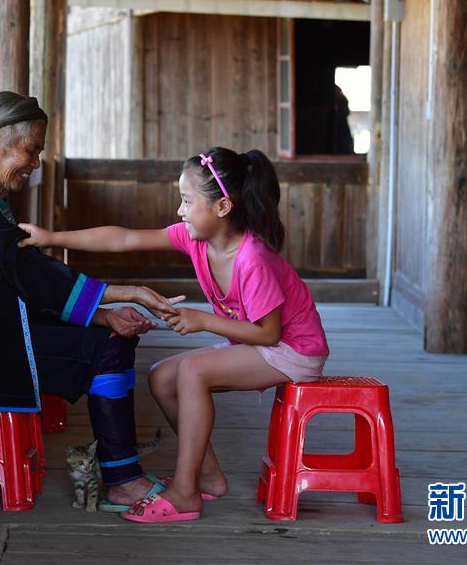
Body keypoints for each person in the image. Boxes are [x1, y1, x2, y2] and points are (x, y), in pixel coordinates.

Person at [0, 91, 184, 509]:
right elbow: (30, 274)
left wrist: (101, 314)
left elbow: (23, 281)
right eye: (29, 151)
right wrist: (124, 294)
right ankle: (122, 479)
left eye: (38, 153)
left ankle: (123, 471)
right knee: (108, 348)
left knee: (109, 335)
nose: (34, 164)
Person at [18, 146, 330, 522]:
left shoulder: (253, 259)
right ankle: (209, 477)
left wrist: (203, 321)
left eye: (186, 201)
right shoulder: (195, 239)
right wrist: (50, 237)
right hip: (259, 343)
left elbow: (267, 333)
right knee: (162, 376)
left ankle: (184, 493)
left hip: (293, 350)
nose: (179, 211)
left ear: (222, 207)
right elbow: (125, 239)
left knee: (193, 371)